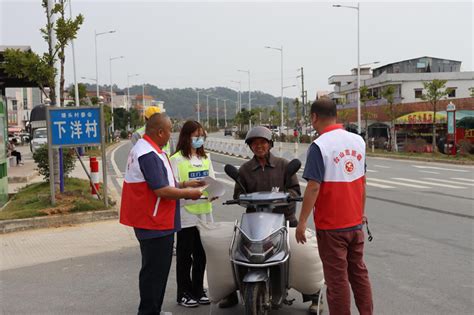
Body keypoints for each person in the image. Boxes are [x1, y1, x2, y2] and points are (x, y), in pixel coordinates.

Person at [220, 126, 322, 313]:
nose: (259, 146)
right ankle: (230, 292)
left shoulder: (284, 165)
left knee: (303, 251)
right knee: (231, 249)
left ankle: (313, 296)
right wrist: (243, 197)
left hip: (283, 219)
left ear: (270, 144)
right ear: (250, 147)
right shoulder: (244, 170)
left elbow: (295, 190)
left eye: (263, 142)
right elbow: (239, 194)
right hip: (255, 222)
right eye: (254, 143)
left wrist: (286, 196)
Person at [119, 113, 205, 315]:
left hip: (155, 219)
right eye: (169, 131)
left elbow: (163, 181)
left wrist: (184, 184)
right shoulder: (148, 153)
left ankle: (153, 310)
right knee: (154, 272)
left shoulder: (150, 149)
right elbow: (161, 190)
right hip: (153, 221)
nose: (170, 135)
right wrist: (188, 193)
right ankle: (148, 311)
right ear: (159, 132)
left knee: (156, 270)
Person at [296, 99, 373, 315]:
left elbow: (313, 187)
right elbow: (362, 181)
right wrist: (360, 213)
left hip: (331, 227)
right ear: (335, 114)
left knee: (337, 282)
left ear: (314, 117)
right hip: (355, 224)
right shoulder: (358, 141)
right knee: (359, 274)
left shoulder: (320, 145)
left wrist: (302, 222)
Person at [170, 120, 216, 308]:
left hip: (204, 211)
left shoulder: (206, 158)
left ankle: (198, 289)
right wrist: (187, 186)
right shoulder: (176, 159)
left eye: (201, 136)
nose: (199, 139)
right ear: (186, 137)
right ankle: (183, 293)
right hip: (186, 211)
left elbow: (212, 181)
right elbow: (171, 185)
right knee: (184, 254)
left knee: (201, 254)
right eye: (196, 136)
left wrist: (214, 193)